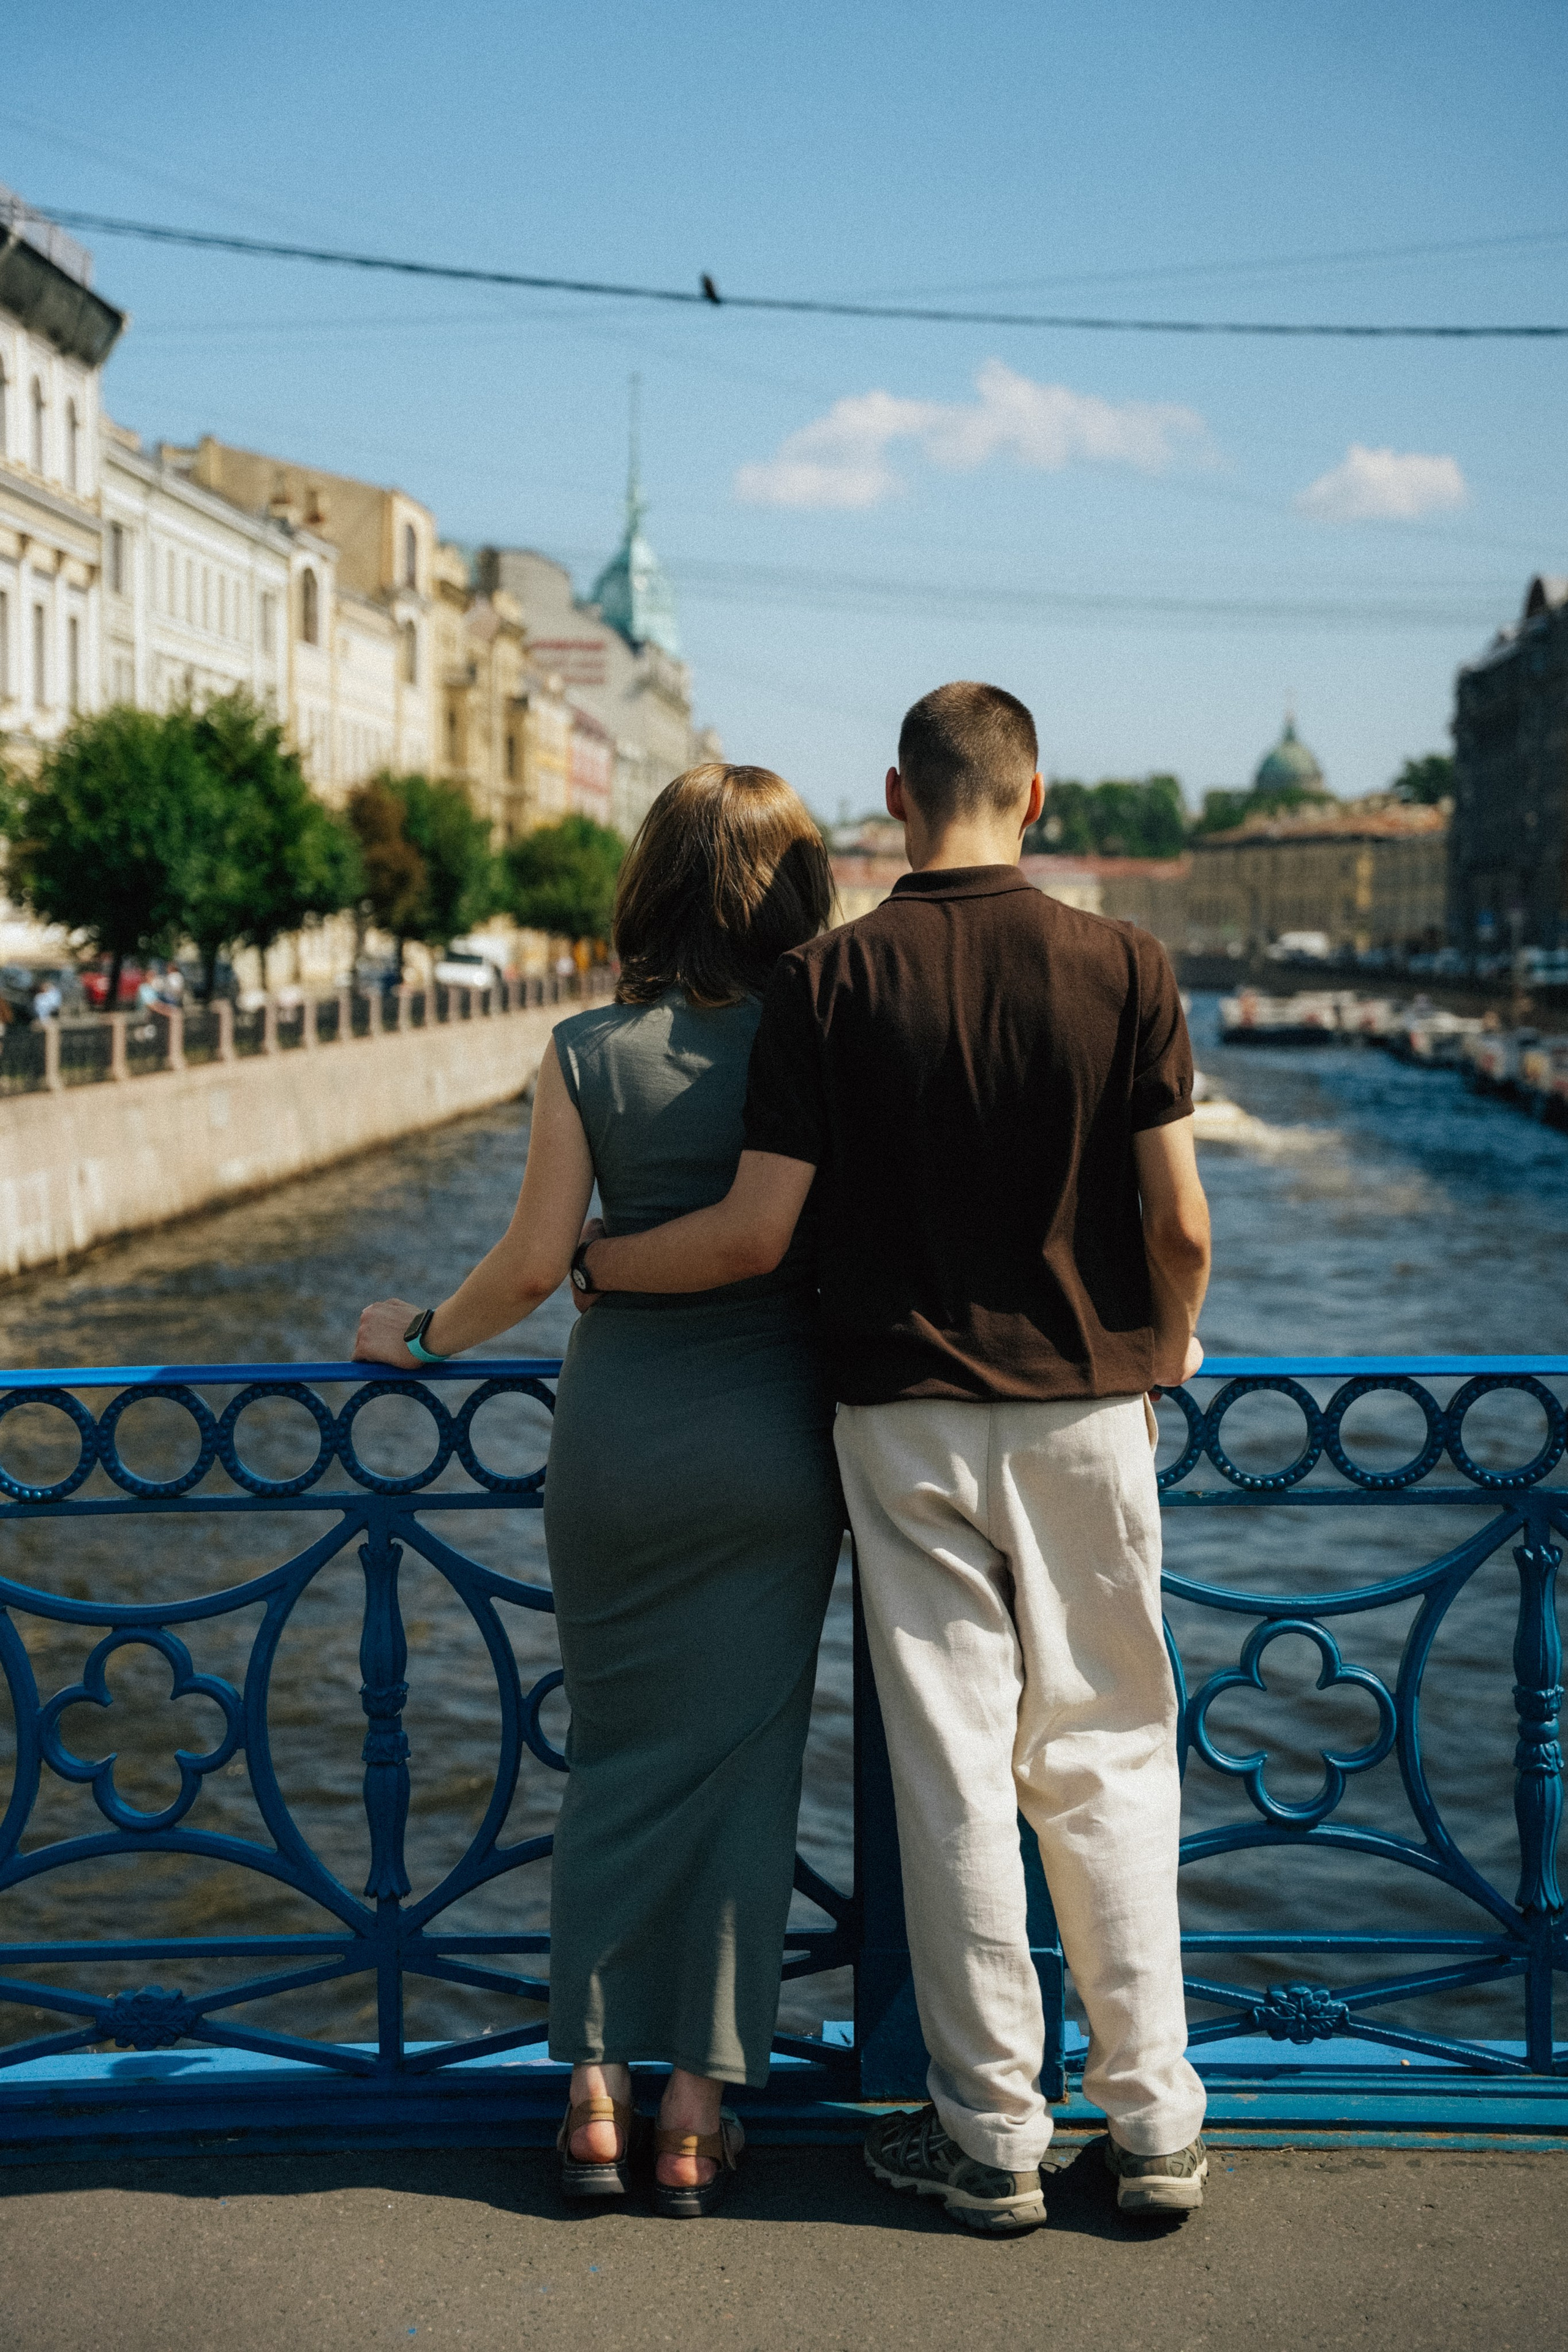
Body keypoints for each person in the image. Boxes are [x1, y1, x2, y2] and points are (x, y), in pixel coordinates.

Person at [571, 682, 1212, 2236]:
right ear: (1037, 797)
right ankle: (1153, 2126)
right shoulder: (1125, 963)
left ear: (894, 798)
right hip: (1082, 1409)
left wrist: (595, 1269)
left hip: (899, 1410)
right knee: (1109, 1758)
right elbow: (1178, 1225)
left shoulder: (833, 978)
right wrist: (1168, 1347)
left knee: (949, 1775)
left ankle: (988, 2138)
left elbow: (761, 1229)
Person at [353, 764, 845, 2218]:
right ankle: (693, 2118)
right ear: (793, 893)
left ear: (648, 883)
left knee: (614, 1765)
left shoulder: (581, 1047)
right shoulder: (813, 1045)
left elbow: (525, 1263)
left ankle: (588, 2105)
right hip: (778, 1438)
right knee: (748, 1775)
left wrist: (420, 1338)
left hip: (617, 1436)